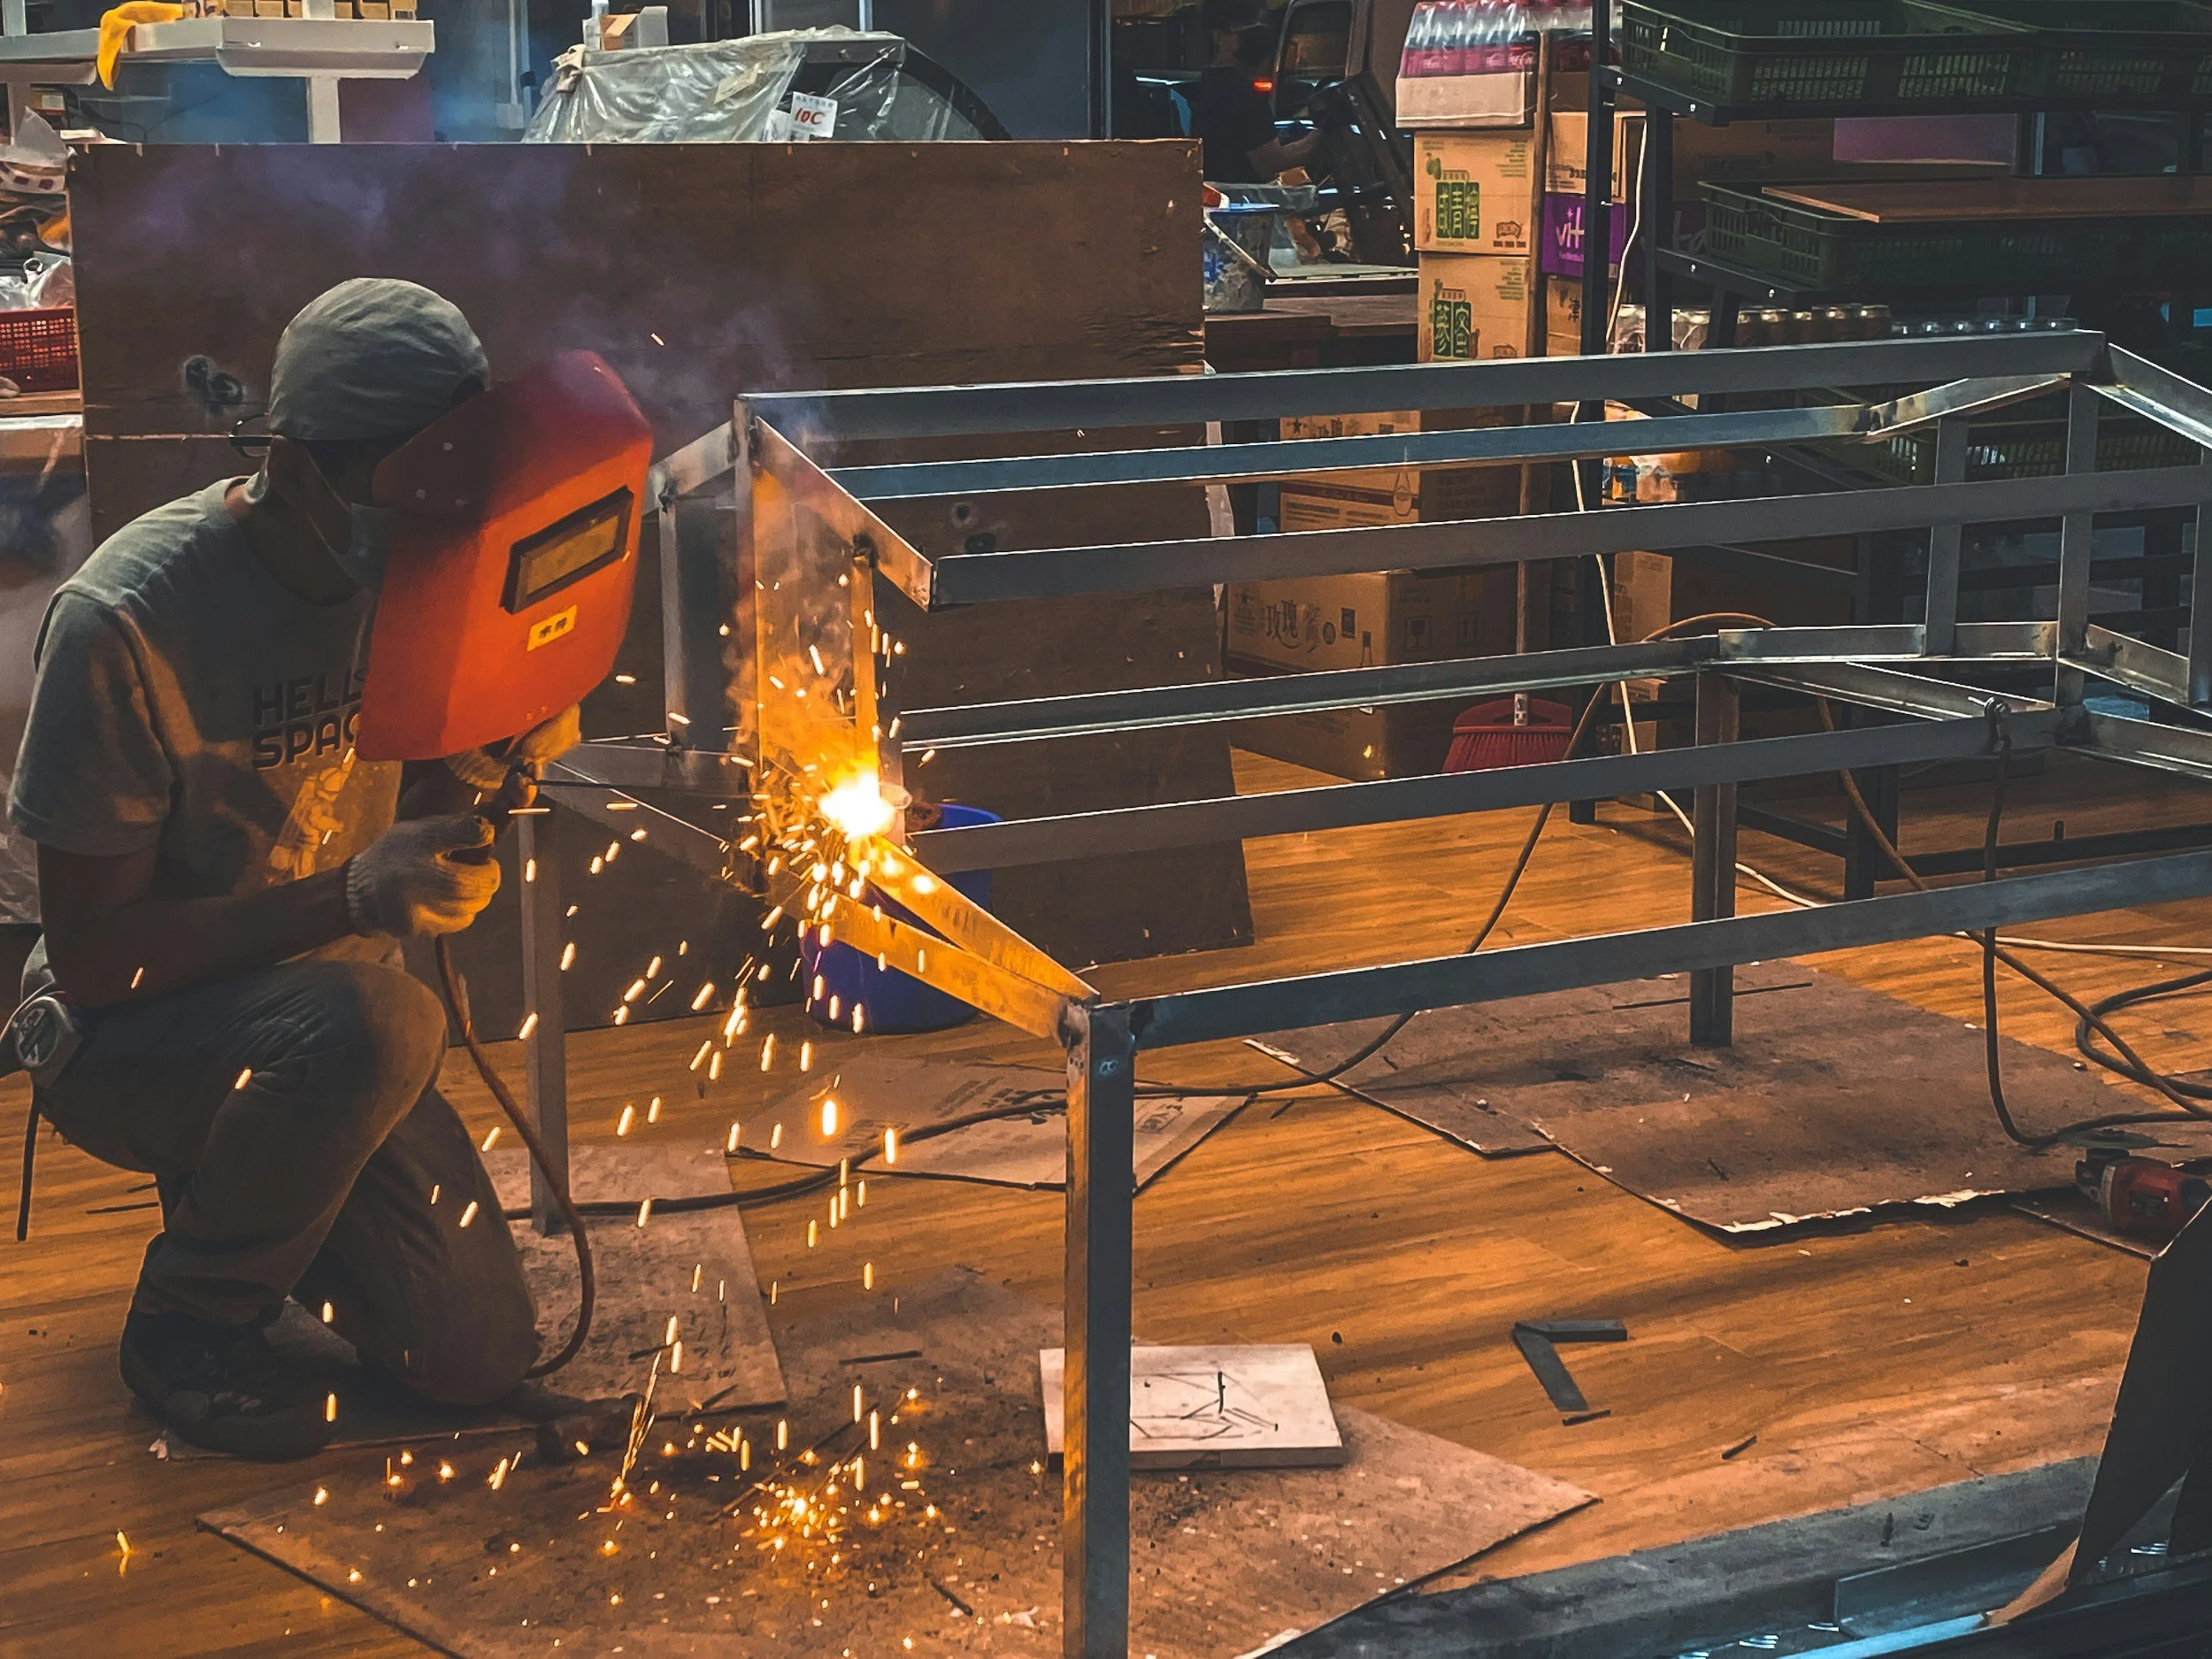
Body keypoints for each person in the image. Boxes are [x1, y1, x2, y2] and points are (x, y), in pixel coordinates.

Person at [7, 278, 580, 1459]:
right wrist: (352, 895)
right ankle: (185, 1323)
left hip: (333, 1027)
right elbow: (102, 958)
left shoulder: (420, 568)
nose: (430, 519)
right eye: (403, 486)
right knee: (372, 1020)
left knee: (473, 1356)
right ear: (296, 460)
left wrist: (487, 748)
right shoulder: (130, 616)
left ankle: (274, 1177)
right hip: (128, 1037)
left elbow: (422, 792)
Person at [1190, 0, 1323, 184]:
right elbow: (1269, 162)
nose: (1257, 32)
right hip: (1242, 205)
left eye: (1260, 23)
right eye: (1247, 25)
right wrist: (1320, 137)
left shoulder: (1207, 85)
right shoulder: (1239, 93)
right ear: (1219, 37)